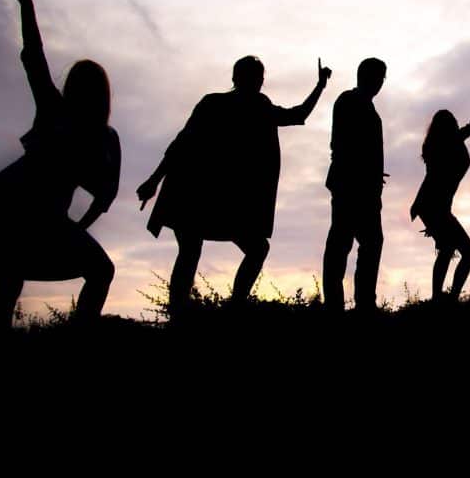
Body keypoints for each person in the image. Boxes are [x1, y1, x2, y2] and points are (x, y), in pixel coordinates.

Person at [0, 0, 120, 331]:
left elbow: (105, 194)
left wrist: (74, 227)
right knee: (10, 282)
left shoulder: (103, 138)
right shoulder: (59, 112)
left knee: (90, 271)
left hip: (41, 216)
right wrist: (26, 5)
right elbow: (34, 57)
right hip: (10, 206)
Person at [137, 55, 331, 318]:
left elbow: (180, 144)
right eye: (256, 77)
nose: (259, 82)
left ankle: (205, 310)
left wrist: (154, 180)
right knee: (209, 250)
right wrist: (153, 180)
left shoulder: (228, 104)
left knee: (197, 252)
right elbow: (181, 144)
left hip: (208, 196)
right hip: (203, 194)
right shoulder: (235, 105)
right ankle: (219, 309)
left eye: (260, 77)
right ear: (243, 79)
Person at [410, 77, 470, 302]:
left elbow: (436, 183)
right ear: (449, 126)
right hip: (434, 207)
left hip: (434, 207)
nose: (457, 124)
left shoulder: (436, 145)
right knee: (467, 252)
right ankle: (446, 298)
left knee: (448, 250)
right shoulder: (449, 142)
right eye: (454, 122)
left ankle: (442, 298)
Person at [323, 57, 387, 315]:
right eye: (379, 77)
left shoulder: (370, 110)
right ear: (366, 76)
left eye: (383, 78)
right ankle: (338, 305)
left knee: (368, 243)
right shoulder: (349, 101)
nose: (381, 83)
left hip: (366, 189)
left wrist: (374, 176)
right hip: (350, 187)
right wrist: (360, 173)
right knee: (341, 244)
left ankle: (363, 303)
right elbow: (341, 145)